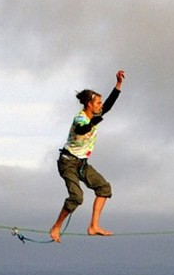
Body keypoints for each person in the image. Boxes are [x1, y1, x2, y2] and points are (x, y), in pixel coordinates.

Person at [50, 70, 125, 243]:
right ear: (89, 105)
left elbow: (109, 105)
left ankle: (94, 226)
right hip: (67, 163)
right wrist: (94, 122)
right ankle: (56, 227)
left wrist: (118, 85)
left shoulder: (95, 114)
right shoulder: (80, 119)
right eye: (98, 103)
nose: (100, 106)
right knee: (77, 197)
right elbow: (82, 130)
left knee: (104, 189)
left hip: (82, 164)